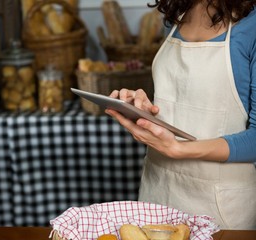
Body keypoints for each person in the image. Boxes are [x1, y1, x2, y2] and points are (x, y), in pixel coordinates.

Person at [106, 0, 256, 230]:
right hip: (158, 191)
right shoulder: (175, 17)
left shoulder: (252, 26)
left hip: (221, 207)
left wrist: (177, 149)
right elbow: (183, 99)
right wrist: (145, 110)